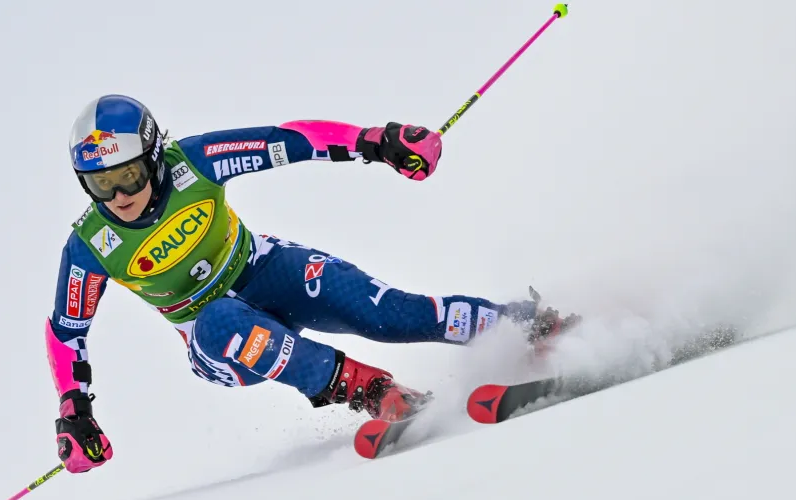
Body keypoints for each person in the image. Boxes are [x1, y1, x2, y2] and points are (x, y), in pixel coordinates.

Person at [48, 94, 575, 473]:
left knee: (387, 313)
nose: (119, 197)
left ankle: (527, 326)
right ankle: (373, 391)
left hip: (263, 270)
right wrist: (75, 413)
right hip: (215, 343)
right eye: (100, 184)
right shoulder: (91, 246)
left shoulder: (193, 163)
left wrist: (377, 142)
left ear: (153, 156)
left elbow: (287, 141)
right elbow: (66, 332)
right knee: (220, 319)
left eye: (129, 176)